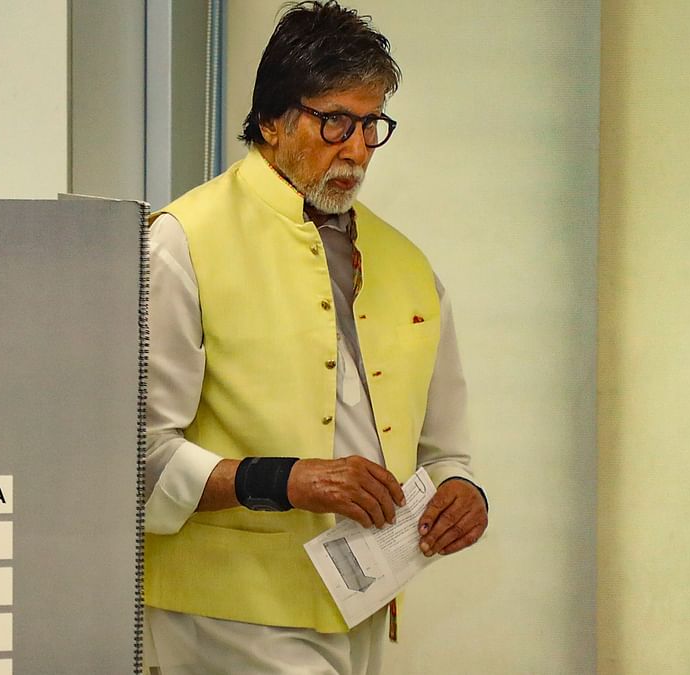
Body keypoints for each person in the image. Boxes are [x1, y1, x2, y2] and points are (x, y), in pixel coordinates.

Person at [143, 2, 488, 673]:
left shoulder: (409, 264)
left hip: (365, 598)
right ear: (273, 120)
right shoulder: (184, 241)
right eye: (335, 120)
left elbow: (447, 448)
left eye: (371, 124)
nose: (357, 148)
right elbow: (141, 454)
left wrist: (464, 492)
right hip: (226, 609)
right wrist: (288, 480)